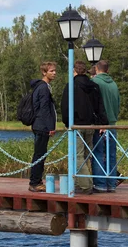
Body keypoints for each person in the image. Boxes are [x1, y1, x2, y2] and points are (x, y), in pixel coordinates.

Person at [61, 60, 108, 195]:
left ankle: (86, 185)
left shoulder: (71, 86)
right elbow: (100, 106)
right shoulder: (94, 86)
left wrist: (67, 123)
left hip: (77, 125)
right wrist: (102, 123)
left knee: (77, 156)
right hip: (91, 125)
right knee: (86, 155)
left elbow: (65, 107)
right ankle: (78, 183)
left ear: (74, 71)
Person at [91, 60, 121, 193]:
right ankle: (112, 183)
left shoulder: (95, 82)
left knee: (98, 153)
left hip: (100, 124)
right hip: (112, 123)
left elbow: (94, 103)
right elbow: (118, 103)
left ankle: (100, 184)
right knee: (111, 155)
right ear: (107, 70)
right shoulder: (114, 84)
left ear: (97, 69)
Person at [29, 61, 57, 192]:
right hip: (41, 126)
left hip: (39, 124)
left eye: (54, 70)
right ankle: (35, 182)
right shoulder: (44, 88)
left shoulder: (40, 87)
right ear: (44, 72)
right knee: (39, 154)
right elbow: (44, 109)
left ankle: (36, 181)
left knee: (40, 153)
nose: (54, 73)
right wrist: (50, 126)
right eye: (51, 71)